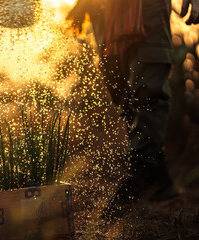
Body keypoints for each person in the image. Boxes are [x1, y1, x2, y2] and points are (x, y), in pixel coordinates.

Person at [67, 0, 199, 221]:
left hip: (146, 9)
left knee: (148, 93)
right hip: (103, 11)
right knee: (124, 100)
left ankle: (139, 176)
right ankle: (158, 180)